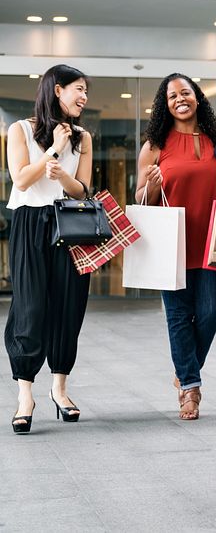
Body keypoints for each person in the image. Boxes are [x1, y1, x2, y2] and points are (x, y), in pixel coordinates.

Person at [5, 65, 93, 434]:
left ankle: (60, 389)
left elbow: (83, 190)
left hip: (69, 224)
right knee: (30, 306)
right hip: (29, 221)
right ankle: (25, 394)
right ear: (57, 90)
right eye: (79, 89)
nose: (84, 97)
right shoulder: (20, 129)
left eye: (86, 90)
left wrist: (65, 176)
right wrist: (52, 153)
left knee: (68, 306)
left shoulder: (84, 137)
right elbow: (21, 179)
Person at [135, 73, 216, 420]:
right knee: (177, 317)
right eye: (172, 96)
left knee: (209, 313)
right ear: (165, 104)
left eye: (185, 93)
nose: (180, 100)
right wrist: (153, 182)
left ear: (197, 97)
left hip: (211, 242)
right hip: (170, 243)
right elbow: (142, 199)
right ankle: (190, 388)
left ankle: (187, 369)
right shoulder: (155, 144)